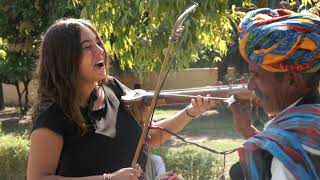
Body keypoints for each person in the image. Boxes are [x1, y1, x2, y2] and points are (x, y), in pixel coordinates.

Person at [26, 18, 214, 180]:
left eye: (98, 42)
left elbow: (151, 136)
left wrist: (190, 111)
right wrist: (108, 178)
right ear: (64, 59)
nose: (99, 50)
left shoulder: (114, 89)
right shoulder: (53, 114)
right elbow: (38, 178)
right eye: (87, 47)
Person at [229, 8, 320, 180]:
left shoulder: (289, 156)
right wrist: (248, 130)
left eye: (256, 75)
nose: (250, 85)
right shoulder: (311, 125)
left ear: (292, 79)